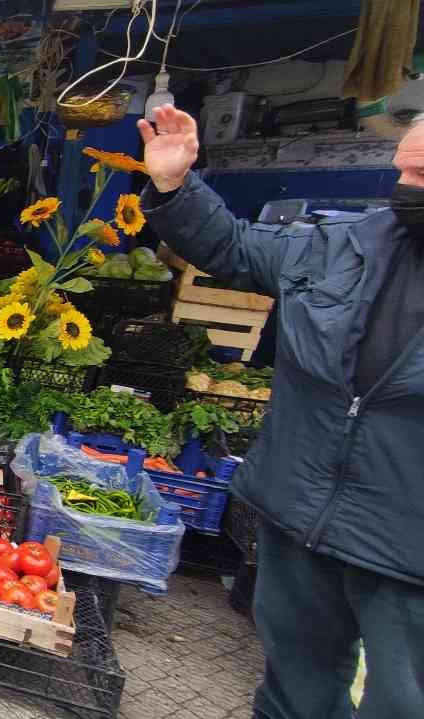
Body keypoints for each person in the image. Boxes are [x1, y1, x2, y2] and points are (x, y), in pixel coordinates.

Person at [138, 104, 424, 718]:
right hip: (300, 513)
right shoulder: (345, 246)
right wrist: (175, 184)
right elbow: (234, 246)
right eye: (407, 173)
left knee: (402, 701)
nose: (408, 184)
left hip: (407, 546)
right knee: (294, 690)